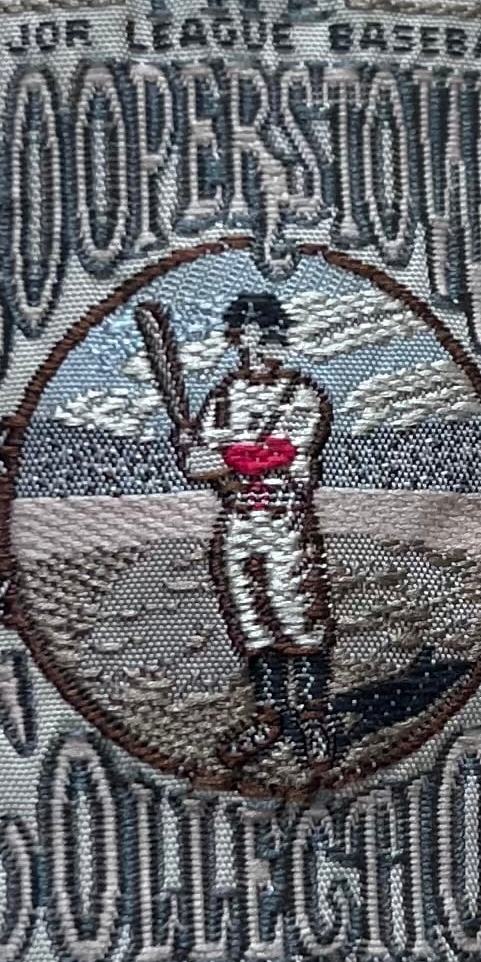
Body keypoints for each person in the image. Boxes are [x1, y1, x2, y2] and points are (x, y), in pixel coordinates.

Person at [177, 289, 339, 766]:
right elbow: (198, 464)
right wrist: (195, 450)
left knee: (297, 614)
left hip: (284, 517)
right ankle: (268, 716)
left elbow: (284, 452)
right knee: (251, 618)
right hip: (238, 518)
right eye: (248, 333)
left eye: (266, 333)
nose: (258, 343)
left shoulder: (301, 394)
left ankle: (312, 717)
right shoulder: (222, 398)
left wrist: (222, 456)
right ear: (236, 338)